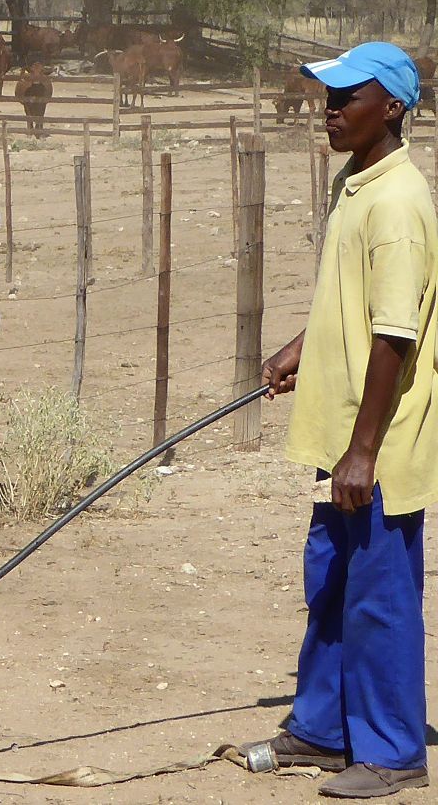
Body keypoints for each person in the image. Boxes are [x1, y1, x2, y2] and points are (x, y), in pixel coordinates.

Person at [246, 41, 436, 799]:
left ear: (389, 107)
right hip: (344, 434)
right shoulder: (355, 182)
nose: (328, 110)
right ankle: (323, 731)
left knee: (379, 596)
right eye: (327, 96)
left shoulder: (397, 203)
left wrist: (364, 452)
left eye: (346, 97)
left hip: (379, 443)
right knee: (330, 581)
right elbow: (350, 300)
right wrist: (304, 346)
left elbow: (396, 333)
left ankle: (392, 751)